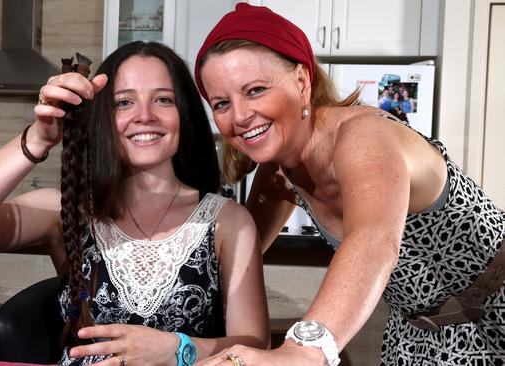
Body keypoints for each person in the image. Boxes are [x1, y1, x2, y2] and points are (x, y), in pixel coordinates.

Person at [192, 3, 505, 366]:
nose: (240, 116)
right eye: (221, 103)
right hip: (418, 335)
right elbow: (230, 263)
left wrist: (304, 350)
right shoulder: (278, 176)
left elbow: (372, 239)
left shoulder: (362, 136)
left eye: (256, 90)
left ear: (302, 81)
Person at [0, 40, 269, 366]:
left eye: (163, 100)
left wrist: (178, 349)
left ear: (185, 114)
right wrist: (38, 138)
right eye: (124, 102)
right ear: (103, 118)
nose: (144, 115)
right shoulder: (67, 212)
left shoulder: (226, 221)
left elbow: (254, 347)